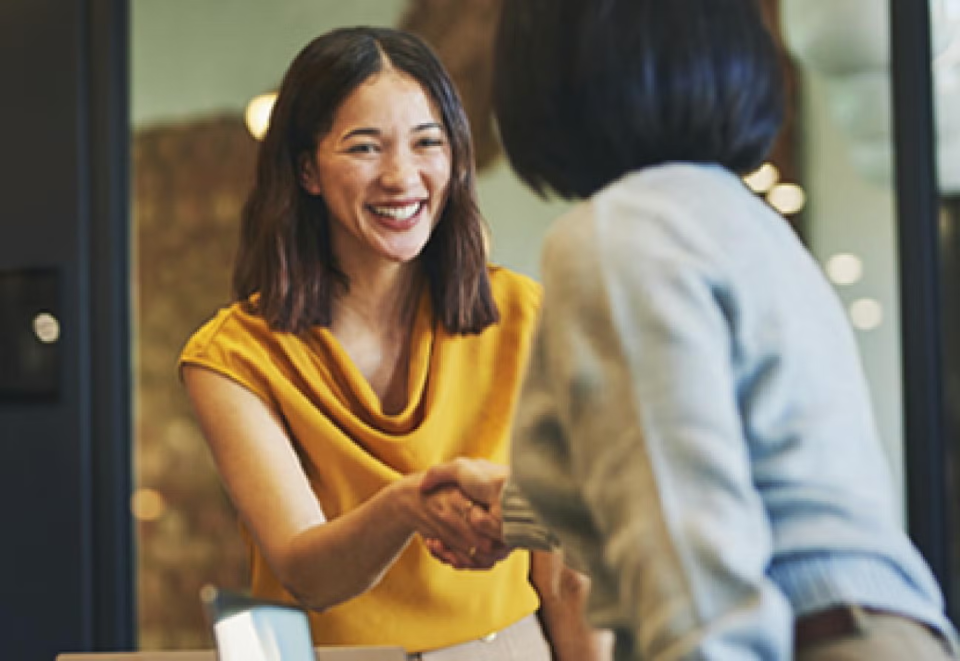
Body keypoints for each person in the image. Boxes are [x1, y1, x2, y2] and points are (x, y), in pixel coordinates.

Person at [424, 0, 960, 659]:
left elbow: (688, 553)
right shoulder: (746, 223)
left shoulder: (622, 236)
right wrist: (513, 510)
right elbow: (731, 470)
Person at [178, 26, 604, 661]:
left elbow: (568, 575)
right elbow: (307, 572)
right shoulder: (232, 358)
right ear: (306, 170)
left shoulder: (524, 315)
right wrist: (411, 504)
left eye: (427, 143)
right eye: (365, 148)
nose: (402, 177)